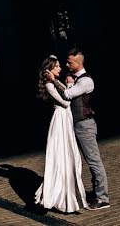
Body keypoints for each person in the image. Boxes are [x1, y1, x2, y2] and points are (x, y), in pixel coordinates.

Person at [47, 47, 110, 210]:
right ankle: (89, 192)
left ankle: (103, 198)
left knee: (94, 161)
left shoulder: (86, 81)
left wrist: (55, 81)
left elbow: (68, 95)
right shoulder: (73, 78)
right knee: (77, 160)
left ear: (79, 62)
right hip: (74, 125)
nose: (67, 65)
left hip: (85, 125)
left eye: (70, 62)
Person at [34, 55, 87, 213]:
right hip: (60, 121)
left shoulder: (55, 83)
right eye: (56, 66)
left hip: (65, 119)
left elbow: (67, 93)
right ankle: (57, 196)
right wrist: (67, 85)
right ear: (49, 70)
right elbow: (66, 102)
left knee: (70, 157)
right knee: (62, 156)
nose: (60, 68)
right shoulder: (51, 86)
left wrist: (67, 86)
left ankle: (67, 195)